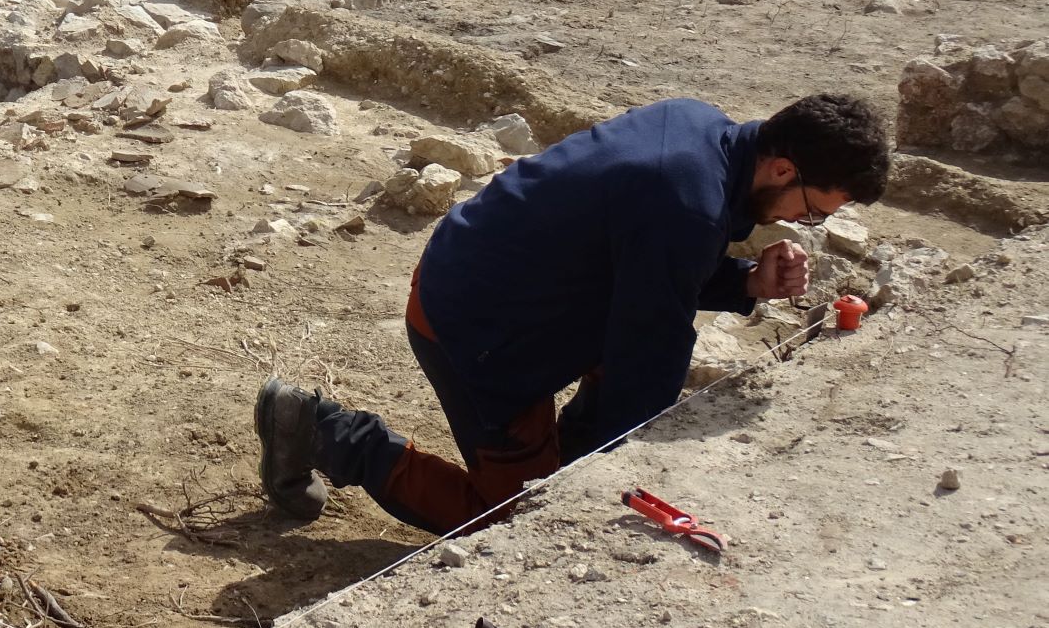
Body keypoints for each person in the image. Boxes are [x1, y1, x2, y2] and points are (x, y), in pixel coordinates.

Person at [254, 94, 890, 533]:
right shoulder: (686, 199)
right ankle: (328, 433)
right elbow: (652, 353)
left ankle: (564, 454)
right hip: (476, 328)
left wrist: (748, 281)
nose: (799, 223)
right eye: (810, 210)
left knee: (612, 403)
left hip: (507, 281)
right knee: (520, 515)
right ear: (782, 166)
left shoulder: (701, 129)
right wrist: (599, 484)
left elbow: (656, 262)